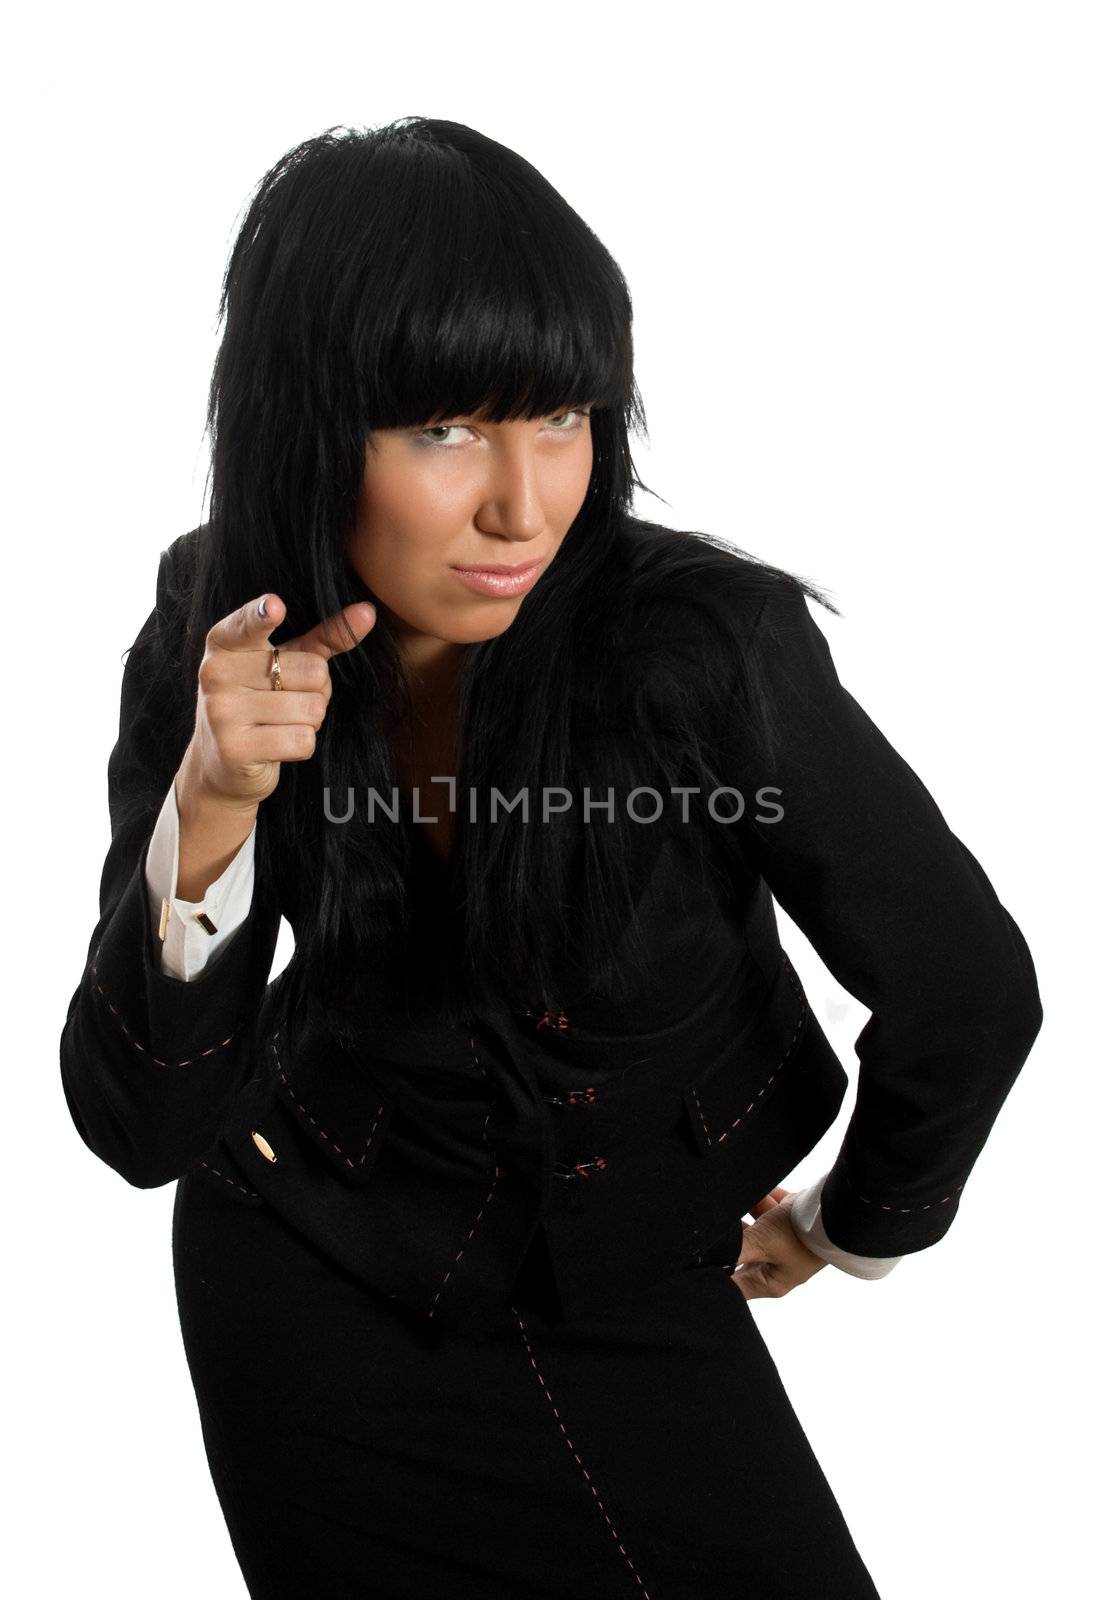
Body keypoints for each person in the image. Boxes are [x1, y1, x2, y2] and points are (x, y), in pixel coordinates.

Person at [60, 118, 1043, 1600]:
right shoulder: (218, 624)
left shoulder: (705, 648)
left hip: (639, 1283)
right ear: (308, 427)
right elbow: (139, 1124)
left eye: (565, 417)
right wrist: (209, 809)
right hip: (315, 1280)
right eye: (445, 430)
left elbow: (966, 990)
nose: (524, 504)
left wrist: (852, 1224)